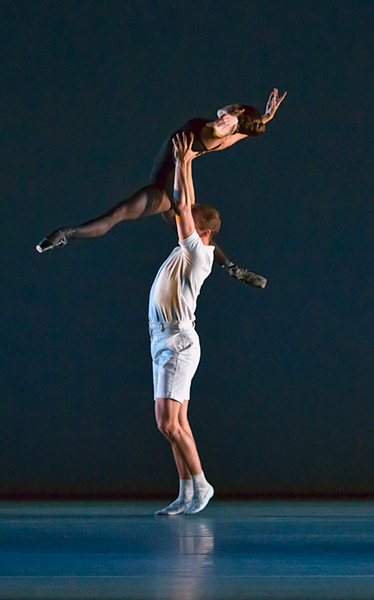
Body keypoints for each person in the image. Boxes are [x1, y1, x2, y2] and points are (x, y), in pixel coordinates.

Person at [36, 89, 287, 288]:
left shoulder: (221, 129)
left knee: (118, 214)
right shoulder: (232, 136)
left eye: (232, 112)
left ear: (237, 113)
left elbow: (224, 114)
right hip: (176, 187)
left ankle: (65, 234)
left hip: (165, 189)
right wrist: (265, 117)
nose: (225, 112)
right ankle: (232, 268)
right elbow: (245, 127)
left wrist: (235, 116)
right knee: (193, 236)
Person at [149, 131, 220, 515]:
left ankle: (202, 485)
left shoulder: (198, 254)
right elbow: (185, 203)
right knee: (176, 424)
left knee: (167, 423)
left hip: (177, 342)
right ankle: (185, 492)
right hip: (163, 340)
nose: (181, 220)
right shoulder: (187, 250)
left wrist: (181, 162)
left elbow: (182, 203)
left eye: (190, 223)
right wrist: (187, 163)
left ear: (203, 233)